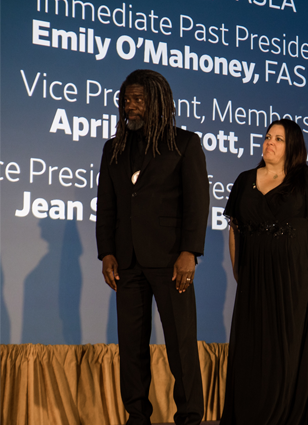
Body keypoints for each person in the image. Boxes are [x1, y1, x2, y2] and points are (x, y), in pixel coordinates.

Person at [96, 69, 209, 425]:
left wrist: (190, 251)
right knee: (131, 347)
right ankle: (136, 415)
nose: (130, 106)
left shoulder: (185, 144)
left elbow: (197, 203)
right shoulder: (112, 148)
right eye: (126, 100)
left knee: (181, 345)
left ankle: (189, 416)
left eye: (138, 100)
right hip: (127, 262)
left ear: (158, 102)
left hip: (171, 261)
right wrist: (107, 252)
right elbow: (108, 205)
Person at [220, 119, 308, 425]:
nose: (269, 142)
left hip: (296, 277)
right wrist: (238, 269)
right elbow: (235, 228)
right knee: (253, 348)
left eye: (278, 139)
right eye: (267, 136)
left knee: (287, 346)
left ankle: (286, 416)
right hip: (255, 276)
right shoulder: (245, 179)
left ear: (293, 146)